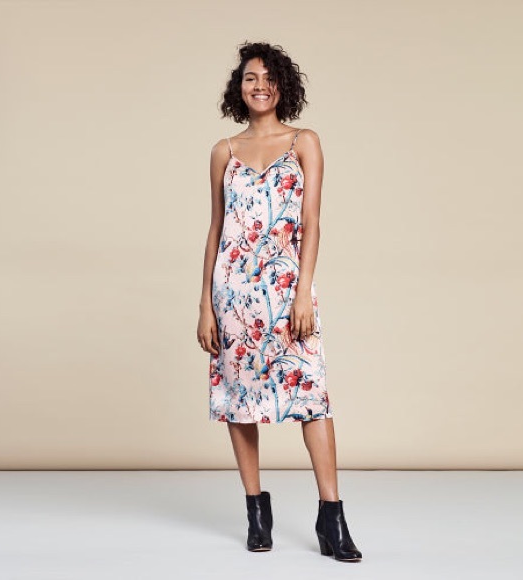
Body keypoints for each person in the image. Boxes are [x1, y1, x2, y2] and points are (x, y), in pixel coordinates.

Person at [196, 41, 362, 562]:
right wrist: (205, 305)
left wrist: (303, 290)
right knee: (239, 400)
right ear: (239, 87)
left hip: (288, 292)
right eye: (250, 78)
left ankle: (332, 517)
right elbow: (217, 229)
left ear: (282, 86)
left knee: (312, 397)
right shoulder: (223, 151)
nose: (260, 85)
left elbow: (311, 222)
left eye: (268, 78)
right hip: (233, 295)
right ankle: (256, 512)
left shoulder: (304, 141)